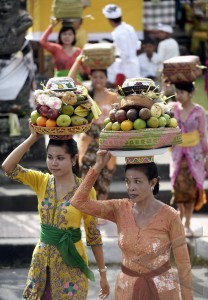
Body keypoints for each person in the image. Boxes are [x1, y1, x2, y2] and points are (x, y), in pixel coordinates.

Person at [1, 126, 110, 299]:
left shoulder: (86, 190)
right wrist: (32, 138)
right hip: (41, 263)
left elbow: (93, 235)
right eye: (50, 157)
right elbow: (8, 167)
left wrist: (103, 275)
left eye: (60, 158)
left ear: (74, 159)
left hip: (71, 264)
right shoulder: (41, 181)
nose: (53, 163)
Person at [71, 150, 193, 299]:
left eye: (137, 181)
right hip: (126, 290)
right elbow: (78, 202)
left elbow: (184, 264)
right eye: (127, 181)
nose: (131, 187)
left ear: (152, 182)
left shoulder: (170, 216)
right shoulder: (120, 208)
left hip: (163, 291)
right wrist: (98, 166)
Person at [68, 55, 118, 200]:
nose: (98, 80)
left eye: (101, 77)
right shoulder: (86, 94)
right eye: (95, 77)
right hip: (88, 143)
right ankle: (87, 216)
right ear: (90, 77)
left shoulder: (114, 97)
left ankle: (100, 218)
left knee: (104, 181)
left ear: (106, 78)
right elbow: (70, 80)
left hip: (108, 145)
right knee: (86, 181)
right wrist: (78, 61)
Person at [169, 82, 208, 237]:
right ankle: (180, 215)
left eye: (182, 92)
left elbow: (203, 134)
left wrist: (206, 155)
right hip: (178, 153)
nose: (178, 95)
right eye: (176, 92)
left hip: (195, 154)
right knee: (178, 188)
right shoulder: (172, 109)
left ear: (190, 93)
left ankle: (188, 222)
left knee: (191, 191)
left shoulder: (199, 112)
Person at [102, 4, 140, 87]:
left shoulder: (117, 33)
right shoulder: (129, 27)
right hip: (134, 64)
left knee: (126, 92)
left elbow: (123, 54)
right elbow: (137, 46)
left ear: (109, 20)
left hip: (125, 68)